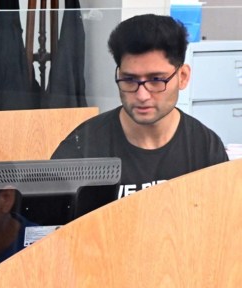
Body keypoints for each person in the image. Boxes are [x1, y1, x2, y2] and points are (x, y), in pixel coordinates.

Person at [52, 14, 228, 199]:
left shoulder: (204, 146)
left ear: (182, 77)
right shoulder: (83, 147)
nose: (142, 95)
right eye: (129, 80)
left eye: (156, 80)